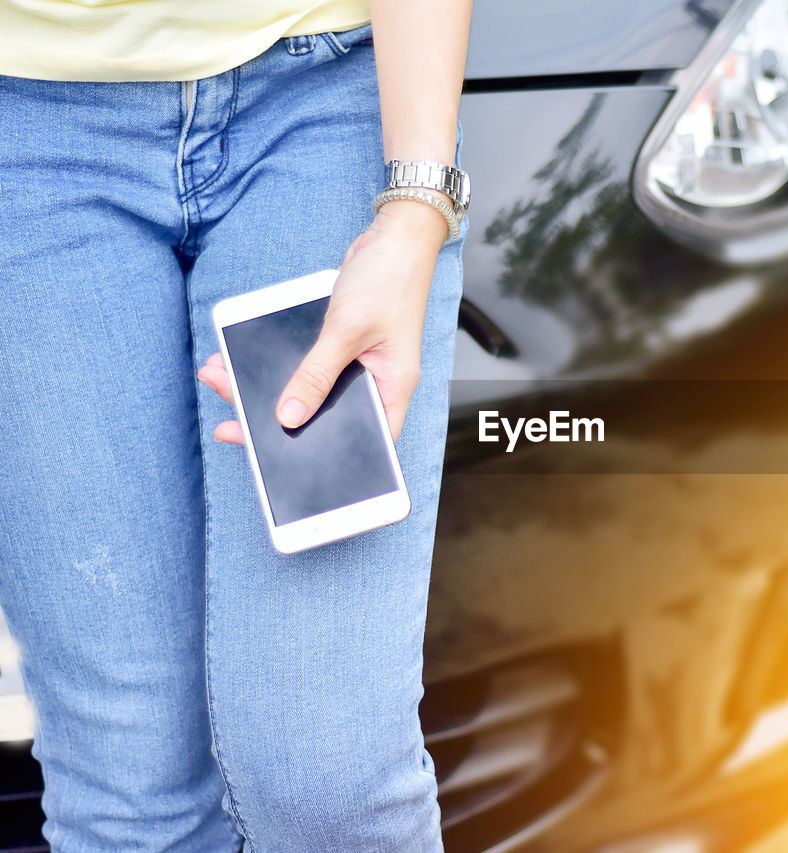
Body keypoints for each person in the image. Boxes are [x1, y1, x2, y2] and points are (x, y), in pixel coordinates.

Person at [0, 0, 473, 847]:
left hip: (321, 99)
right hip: (25, 128)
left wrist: (414, 208)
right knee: (129, 798)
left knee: (325, 778)